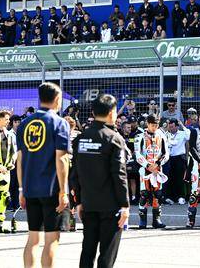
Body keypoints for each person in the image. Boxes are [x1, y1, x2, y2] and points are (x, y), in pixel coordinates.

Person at [71, 94, 129, 268]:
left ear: (93, 112)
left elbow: (74, 173)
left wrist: (78, 201)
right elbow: (119, 174)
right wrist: (124, 205)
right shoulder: (114, 138)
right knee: (107, 255)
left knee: (87, 251)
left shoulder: (81, 138)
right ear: (112, 113)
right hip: (110, 206)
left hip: (88, 203)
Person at [16, 83, 71, 268]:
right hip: (51, 188)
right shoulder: (59, 123)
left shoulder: (24, 124)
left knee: (32, 238)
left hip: (30, 188)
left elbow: (20, 159)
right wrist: (63, 191)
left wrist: (21, 188)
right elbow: (61, 158)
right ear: (57, 99)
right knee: (51, 239)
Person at [134, 114, 169, 229]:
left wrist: (157, 164)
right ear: (147, 124)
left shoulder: (162, 136)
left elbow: (166, 154)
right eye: (152, 125)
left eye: (156, 125)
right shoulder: (139, 136)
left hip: (157, 169)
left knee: (157, 194)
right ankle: (142, 221)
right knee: (144, 194)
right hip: (145, 169)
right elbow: (138, 154)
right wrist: (148, 165)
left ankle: (156, 220)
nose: (155, 127)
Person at [165, 119, 189, 205]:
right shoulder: (167, 134)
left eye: (172, 127)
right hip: (169, 158)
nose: (171, 128)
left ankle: (181, 197)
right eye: (170, 127)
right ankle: (171, 197)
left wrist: (182, 125)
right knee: (170, 178)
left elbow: (189, 136)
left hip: (179, 158)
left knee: (180, 178)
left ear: (177, 126)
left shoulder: (182, 133)